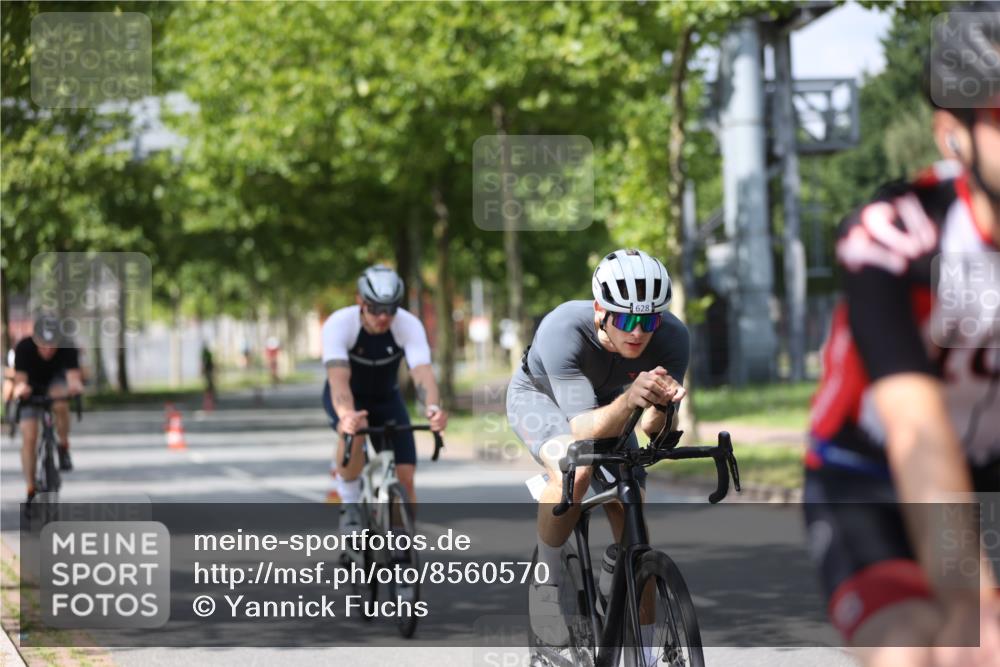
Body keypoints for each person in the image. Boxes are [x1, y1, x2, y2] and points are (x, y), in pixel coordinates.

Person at [804, 8, 1000, 666]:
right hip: (872, 476)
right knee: (920, 645)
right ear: (954, 133)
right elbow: (918, 432)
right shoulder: (894, 235)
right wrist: (974, 602)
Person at [506, 248, 689, 649]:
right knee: (576, 470)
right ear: (599, 310)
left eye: (648, 320)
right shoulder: (563, 329)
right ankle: (546, 585)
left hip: (607, 402)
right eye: (625, 318)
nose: (637, 331)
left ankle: (643, 640)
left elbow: (653, 433)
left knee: (631, 503)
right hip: (542, 399)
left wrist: (662, 405)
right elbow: (582, 428)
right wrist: (630, 402)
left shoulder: (674, 338)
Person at [321, 265, 448, 529]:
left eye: (390, 309)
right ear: (360, 301)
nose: (383, 316)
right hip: (349, 397)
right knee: (356, 429)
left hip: (387, 399)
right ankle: (350, 504)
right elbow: (339, 380)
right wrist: (346, 416)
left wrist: (433, 408)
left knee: (406, 477)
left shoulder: (408, 324)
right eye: (375, 308)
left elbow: (422, 374)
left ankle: (401, 545)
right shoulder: (340, 324)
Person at [12, 314, 84, 511]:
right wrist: (20, 390)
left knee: (60, 402)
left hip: (55, 384)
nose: (48, 349)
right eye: (43, 345)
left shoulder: (67, 347)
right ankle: (30, 489)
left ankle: (63, 445)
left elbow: (73, 378)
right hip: (32, 389)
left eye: (52, 345)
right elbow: (20, 381)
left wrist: (75, 387)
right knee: (29, 437)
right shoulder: (24, 348)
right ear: (35, 340)